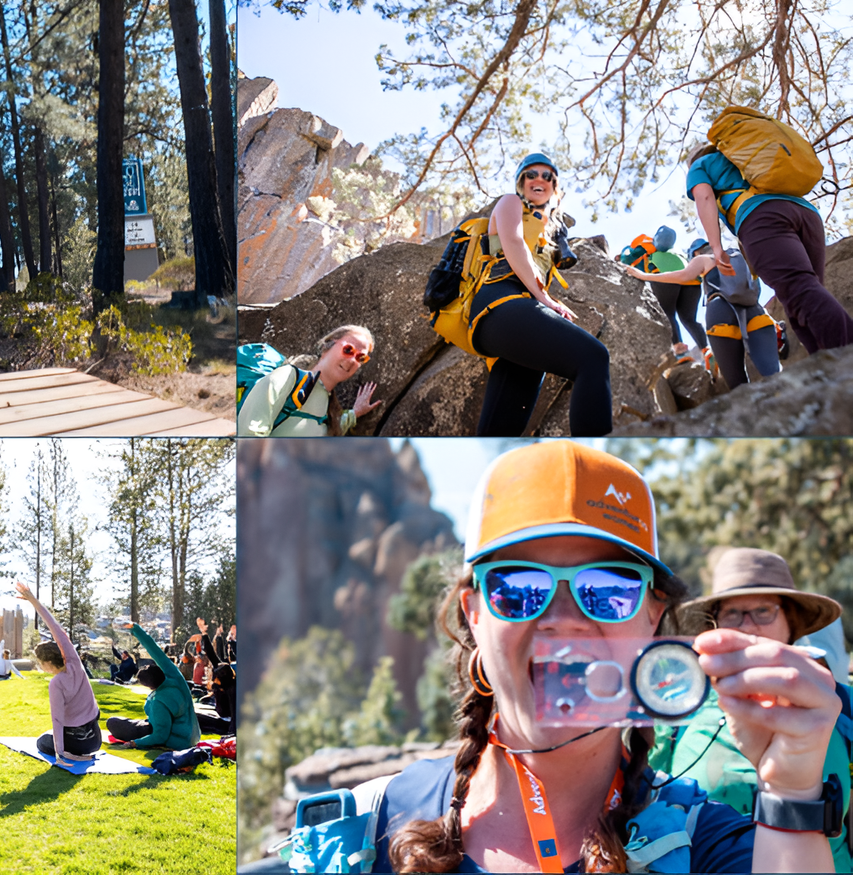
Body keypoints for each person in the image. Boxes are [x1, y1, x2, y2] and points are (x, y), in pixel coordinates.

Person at [286, 440, 835, 873]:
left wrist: (789, 793)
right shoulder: (362, 828)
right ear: (475, 613)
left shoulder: (709, 846)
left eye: (609, 587)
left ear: (651, 615)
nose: (564, 617)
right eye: (520, 586)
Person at [650, 547, 853, 869]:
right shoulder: (678, 706)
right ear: (714, 626)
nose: (748, 625)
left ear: (791, 622)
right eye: (733, 613)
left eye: (763, 610)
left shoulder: (839, 705)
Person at [461, 153, 615, 436]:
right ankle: (594, 465)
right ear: (521, 182)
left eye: (548, 176)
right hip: (498, 303)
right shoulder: (510, 202)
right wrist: (544, 298)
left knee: (502, 430)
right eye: (531, 174)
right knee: (592, 358)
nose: (539, 180)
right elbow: (513, 241)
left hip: (517, 321)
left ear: (555, 187)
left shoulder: (550, 230)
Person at [685, 112, 853, 355]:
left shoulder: (700, 166)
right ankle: (828, 367)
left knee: (799, 291)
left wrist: (717, 246)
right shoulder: (739, 157)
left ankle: (847, 359)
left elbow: (704, 196)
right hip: (806, 214)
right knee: (800, 301)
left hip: (762, 217)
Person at [630, 238, 783, 389]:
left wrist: (644, 276)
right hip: (754, 311)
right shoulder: (738, 255)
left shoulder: (703, 259)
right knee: (775, 375)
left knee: (740, 387)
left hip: (721, 311)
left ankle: (711, 354)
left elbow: (683, 276)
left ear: (696, 252)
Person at [238, 326, 381, 436]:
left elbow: (329, 428)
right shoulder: (288, 377)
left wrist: (355, 413)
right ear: (327, 346)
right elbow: (250, 431)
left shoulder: (328, 409)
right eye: (348, 349)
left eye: (360, 358)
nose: (351, 360)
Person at [16, 584, 100, 763]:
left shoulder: (56, 683)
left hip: (79, 744)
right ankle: (77, 751)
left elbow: (57, 720)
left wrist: (59, 753)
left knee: (42, 741)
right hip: (95, 741)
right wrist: (33, 601)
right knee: (63, 729)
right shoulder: (75, 663)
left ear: (46, 663)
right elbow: (56, 629)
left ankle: (72, 753)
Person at [619, 225, 708, 362]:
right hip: (691, 281)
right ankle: (706, 350)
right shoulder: (677, 253)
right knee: (689, 319)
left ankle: (679, 348)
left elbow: (626, 258)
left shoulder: (645, 246)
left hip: (665, 277)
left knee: (667, 312)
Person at [106, 620, 195, 751]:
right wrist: (135, 629)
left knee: (113, 722)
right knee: (129, 722)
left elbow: (160, 736)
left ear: (150, 687)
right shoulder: (175, 677)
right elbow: (155, 651)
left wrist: (134, 743)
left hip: (176, 740)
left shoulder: (158, 702)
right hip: (190, 734)